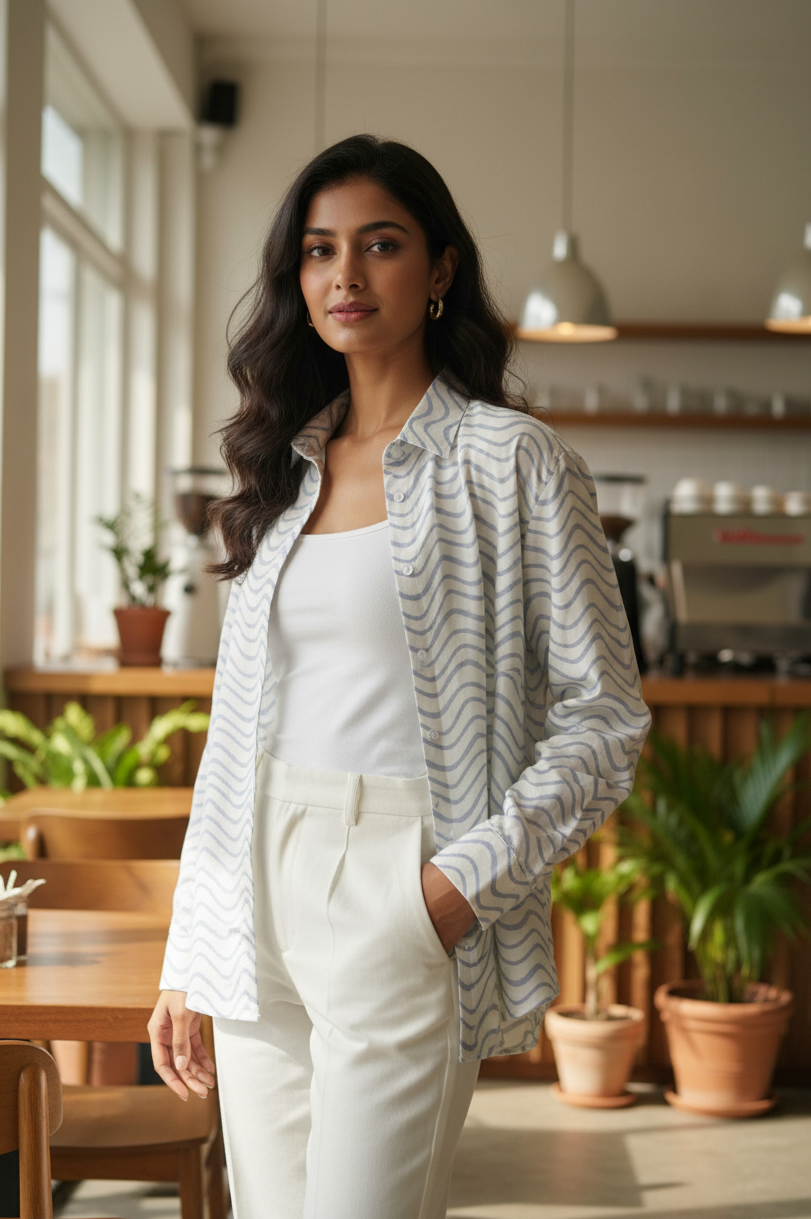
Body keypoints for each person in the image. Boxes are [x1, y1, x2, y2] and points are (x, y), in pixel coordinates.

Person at [148, 134, 651, 1219]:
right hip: (255, 884)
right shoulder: (279, 473)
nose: (345, 275)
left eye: (380, 245)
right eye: (320, 251)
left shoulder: (513, 462)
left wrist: (456, 884)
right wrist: (190, 950)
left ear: (440, 270)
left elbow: (606, 716)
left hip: (401, 876)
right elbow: (234, 737)